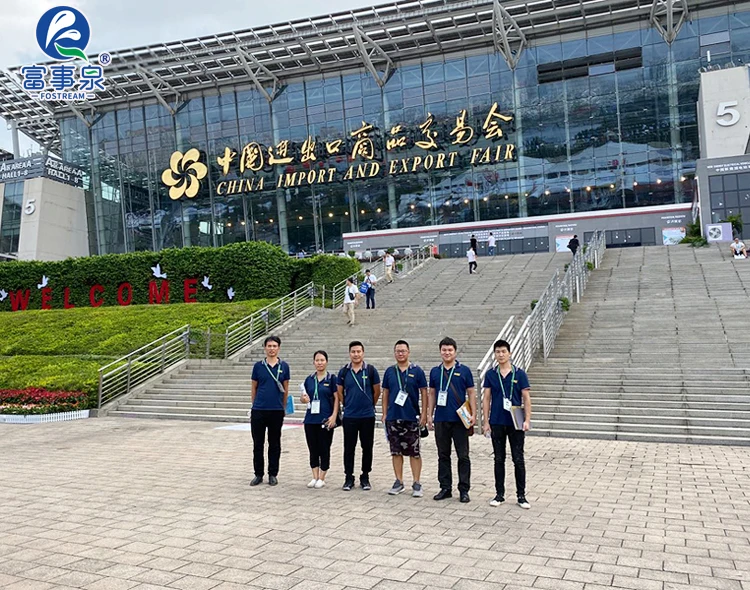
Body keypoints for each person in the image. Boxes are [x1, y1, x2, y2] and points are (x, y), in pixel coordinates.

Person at [481, 339, 532, 510]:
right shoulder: (491, 374)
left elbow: (526, 398)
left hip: (515, 422)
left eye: (503, 351)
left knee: (518, 458)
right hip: (497, 421)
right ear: (494, 355)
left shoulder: (520, 374)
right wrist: (486, 421)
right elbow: (486, 398)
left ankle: (521, 495)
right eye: (498, 352)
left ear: (509, 353)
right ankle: (499, 494)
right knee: (498, 458)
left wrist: (527, 420)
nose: (501, 355)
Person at [427, 337, 476, 503]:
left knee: (463, 456)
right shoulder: (435, 371)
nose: (447, 353)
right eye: (444, 350)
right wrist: (429, 414)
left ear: (455, 351)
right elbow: (432, 393)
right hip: (441, 419)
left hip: (460, 420)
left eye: (450, 350)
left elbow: (471, 393)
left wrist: (474, 414)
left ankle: (464, 489)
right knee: (443, 455)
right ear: (440, 351)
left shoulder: (464, 371)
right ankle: (445, 487)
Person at [381, 340, 428, 497]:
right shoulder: (390, 371)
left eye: (403, 351)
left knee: (414, 452)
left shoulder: (417, 371)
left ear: (408, 352)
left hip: (411, 417)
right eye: (398, 351)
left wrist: (424, 414)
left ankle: (416, 482)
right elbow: (385, 392)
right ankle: (399, 481)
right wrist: (384, 413)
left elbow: (424, 392)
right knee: (396, 451)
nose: (400, 353)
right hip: (393, 417)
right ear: (394, 353)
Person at [337, 341, 381, 491]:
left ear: (363, 353)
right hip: (350, 415)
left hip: (367, 415)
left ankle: (365, 476)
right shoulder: (344, 372)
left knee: (367, 447)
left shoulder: (371, 370)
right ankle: (349, 477)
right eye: (353, 352)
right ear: (349, 353)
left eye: (358, 351)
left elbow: (377, 391)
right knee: (349, 447)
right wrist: (347, 404)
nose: (356, 354)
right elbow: (340, 392)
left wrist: (370, 405)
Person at [250, 336, 290, 487]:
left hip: (276, 410)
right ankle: (258, 474)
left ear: (278, 348)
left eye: (274, 346)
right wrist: (254, 405)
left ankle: (273, 473)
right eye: (269, 346)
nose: (272, 349)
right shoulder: (258, 366)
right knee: (258, 444)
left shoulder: (284, 366)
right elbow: (254, 387)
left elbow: (285, 389)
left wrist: (283, 407)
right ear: (265, 348)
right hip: (259, 410)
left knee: (274, 443)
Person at [300, 350, 339, 489]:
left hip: (326, 419)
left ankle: (322, 477)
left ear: (326, 362)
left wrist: (334, 416)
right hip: (310, 419)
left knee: (324, 448)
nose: (319, 363)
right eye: (317, 360)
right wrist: (303, 399)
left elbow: (337, 398)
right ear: (313, 362)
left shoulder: (332, 379)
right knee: (313, 448)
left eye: (322, 360)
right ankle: (314, 476)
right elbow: (303, 397)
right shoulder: (309, 379)